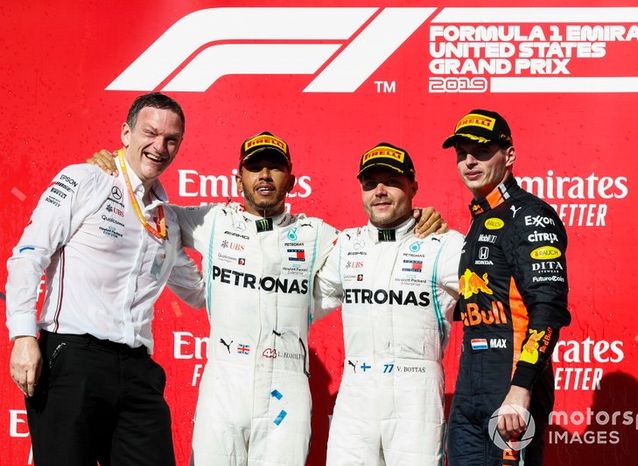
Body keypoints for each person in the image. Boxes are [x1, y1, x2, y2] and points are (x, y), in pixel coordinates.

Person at [88, 132, 445, 466]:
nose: (265, 175)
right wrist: (116, 169)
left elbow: (375, 250)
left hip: (286, 389)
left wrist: (418, 220)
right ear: (237, 178)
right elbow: (146, 207)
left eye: (275, 167)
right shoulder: (211, 220)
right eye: (255, 167)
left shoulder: (317, 234)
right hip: (223, 384)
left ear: (290, 180)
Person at [5, 92, 205, 466]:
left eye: (171, 139)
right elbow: (29, 256)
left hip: (138, 370)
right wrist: (22, 336)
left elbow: (198, 295)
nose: (159, 146)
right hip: (73, 357)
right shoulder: (85, 179)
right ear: (126, 133)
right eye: (150, 133)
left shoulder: (169, 219)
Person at [314, 142, 462, 465]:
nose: (379, 191)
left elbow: (493, 301)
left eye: (391, 181)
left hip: (416, 395)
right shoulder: (345, 245)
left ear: (413, 187)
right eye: (370, 184)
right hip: (356, 394)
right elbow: (301, 302)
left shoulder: (445, 244)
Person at [442, 109, 571, 466]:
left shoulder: (530, 216)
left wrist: (521, 386)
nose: (469, 161)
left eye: (482, 151)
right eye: (462, 153)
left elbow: (548, 310)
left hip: (511, 386)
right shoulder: (480, 218)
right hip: (471, 387)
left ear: (509, 155)